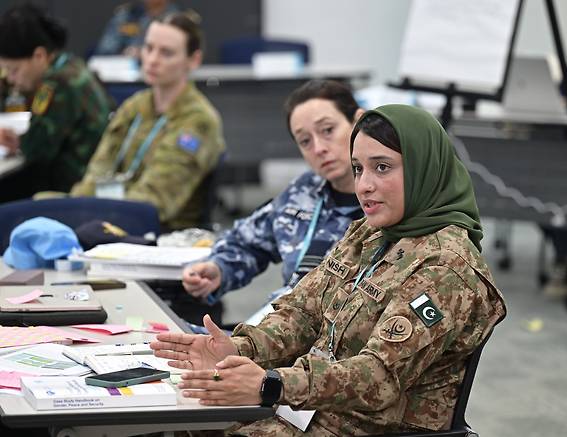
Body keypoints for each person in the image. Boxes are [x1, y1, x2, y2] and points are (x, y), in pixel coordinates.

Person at [152, 104, 506, 435]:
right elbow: (301, 314)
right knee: (169, 416)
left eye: (382, 167)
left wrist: (271, 384)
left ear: (424, 167)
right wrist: (239, 349)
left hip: (361, 428)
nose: (364, 185)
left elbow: (377, 377)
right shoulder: (369, 232)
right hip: (308, 414)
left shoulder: (446, 266)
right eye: (358, 169)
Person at [182, 80, 364, 308]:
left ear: (358, 121)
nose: (319, 148)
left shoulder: (392, 202)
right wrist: (219, 268)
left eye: (328, 130)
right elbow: (247, 241)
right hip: (280, 328)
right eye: (305, 141)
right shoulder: (305, 190)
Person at [69, 12, 225, 230]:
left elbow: (155, 200)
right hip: (109, 219)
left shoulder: (199, 121)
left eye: (166, 53)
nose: (152, 60)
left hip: (162, 235)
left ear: (193, 60)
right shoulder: (135, 107)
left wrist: (88, 215)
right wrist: (76, 208)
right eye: (148, 48)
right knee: (41, 207)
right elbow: (97, 173)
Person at [0, 4, 112, 197]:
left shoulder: (56, 84)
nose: (10, 79)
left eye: (14, 70)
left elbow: (37, 148)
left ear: (39, 56)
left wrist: (22, 143)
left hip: (72, 188)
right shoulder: (72, 65)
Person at [95, 0, 179, 57]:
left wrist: (144, 53)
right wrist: (125, 53)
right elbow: (104, 50)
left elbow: (181, 54)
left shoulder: (179, 19)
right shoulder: (127, 15)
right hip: (124, 77)